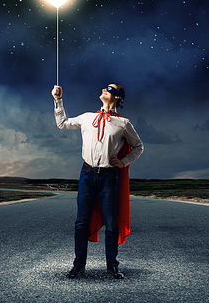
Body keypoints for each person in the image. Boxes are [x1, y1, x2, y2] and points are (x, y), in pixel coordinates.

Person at [51, 83, 144, 279]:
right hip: (87, 174)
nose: (104, 89)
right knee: (81, 222)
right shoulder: (87, 118)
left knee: (111, 223)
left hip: (109, 177)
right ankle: (78, 266)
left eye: (110, 89)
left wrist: (124, 161)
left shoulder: (123, 123)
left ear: (117, 97)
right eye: (104, 87)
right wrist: (58, 100)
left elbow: (138, 146)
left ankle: (112, 266)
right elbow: (63, 123)